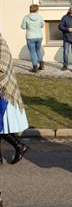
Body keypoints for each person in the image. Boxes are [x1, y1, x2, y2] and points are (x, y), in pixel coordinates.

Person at [0, 33, 30, 165]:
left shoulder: (2, 45)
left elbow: (2, 66)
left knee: (1, 126)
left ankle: (19, 146)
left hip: (4, 90)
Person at [21, 4, 45, 73]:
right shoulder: (40, 17)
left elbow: (23, 27)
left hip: (30, 37)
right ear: (37, 10)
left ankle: (35, 68)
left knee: (32, 52)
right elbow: (42, 25)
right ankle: (41, 64)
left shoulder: (26, 17)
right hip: (39, 36)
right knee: (38, 50)